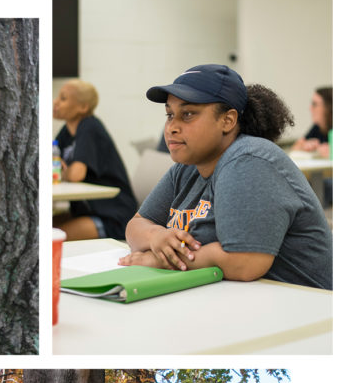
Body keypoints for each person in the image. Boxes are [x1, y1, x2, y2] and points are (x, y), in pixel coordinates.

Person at [121, 64, 332, 289]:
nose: (172, 127)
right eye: (170, 114)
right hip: (238, 301)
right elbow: (137, 224)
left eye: (188, 114)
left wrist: (161, 260)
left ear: (228, 121)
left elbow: (245, 262)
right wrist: (155, 236)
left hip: (311, 309)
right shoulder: (188, 166)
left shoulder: (249, 160)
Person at [53, 79, 137, 241]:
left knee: (47, 240)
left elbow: (76, 174)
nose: (56, 102)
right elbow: (53, 165)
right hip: (88, 211)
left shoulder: (89, 126)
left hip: (112, 217)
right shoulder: (67, 131)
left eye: (63, 99)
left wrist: (64, 172)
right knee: (39, 228)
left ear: (83, 107)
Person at [292, 86, 332, 158]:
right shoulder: (317, 127)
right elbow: (295, 148)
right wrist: (304, 146)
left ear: (328, 107)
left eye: (314, 104)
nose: (310, 108)